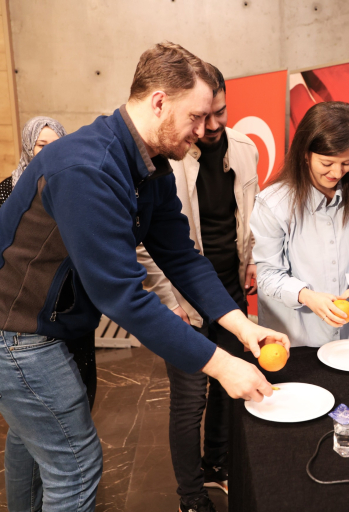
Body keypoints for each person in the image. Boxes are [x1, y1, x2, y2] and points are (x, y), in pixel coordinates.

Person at [0, 42, 289, 512]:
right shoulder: (87, 167)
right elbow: (122, 297)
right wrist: (222, 365)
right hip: (1, 327)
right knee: (75, 463)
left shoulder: (152, 164)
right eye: (196, 117)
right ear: (160, 102)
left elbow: (181, 256)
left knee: (34, 441)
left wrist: (240, 325)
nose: (205, 130)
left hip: (27, 321)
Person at [136, 65, 258, 512]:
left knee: (230, 385)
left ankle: (217, 465)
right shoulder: (166, 156)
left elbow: (250, 216)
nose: (211, 125)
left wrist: (252, 262)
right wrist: (169, 302)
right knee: (190, 400)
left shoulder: (244, 149)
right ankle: (190, 496)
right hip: (182, 295)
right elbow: (147, 247)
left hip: (227, 290)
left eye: (220, 112)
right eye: (202, 116)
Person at [0, 117, 98, 409]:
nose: (50, 151)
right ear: (28, 147)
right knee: (37, 400)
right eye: (41, 145)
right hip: (26, 306)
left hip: (71, 301)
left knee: (80, 388)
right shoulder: (8, 190)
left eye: (57, 144)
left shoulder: (76, 186)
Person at [251, 101, 349, 346]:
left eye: (346, 163)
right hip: (297, 337)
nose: (337, 173)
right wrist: (306, 296)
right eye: (326, 163)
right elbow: (268, 276)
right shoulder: (273, 203)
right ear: (305, 153)